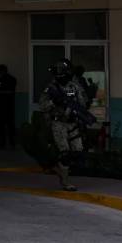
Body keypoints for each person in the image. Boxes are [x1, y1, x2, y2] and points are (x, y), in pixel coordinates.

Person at [37, 59, 94, 190]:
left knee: (78, 152)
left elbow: (82, 102)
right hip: (59, 123)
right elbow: (42, 105)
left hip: (72, 123)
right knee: (65, 154)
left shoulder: (74, 86)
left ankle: (57, 168)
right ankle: (65, 181)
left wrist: (81, 110)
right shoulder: (50, 88)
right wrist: (54, 102)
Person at [0, 64, 18, 150]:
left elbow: (10, 92)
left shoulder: (11, 79)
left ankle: (7, 143)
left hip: (6, 105)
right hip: (5, 105)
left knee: (5, 125)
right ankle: (8, 143)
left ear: (2, 71)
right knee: (6, 125)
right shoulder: (1, 79)